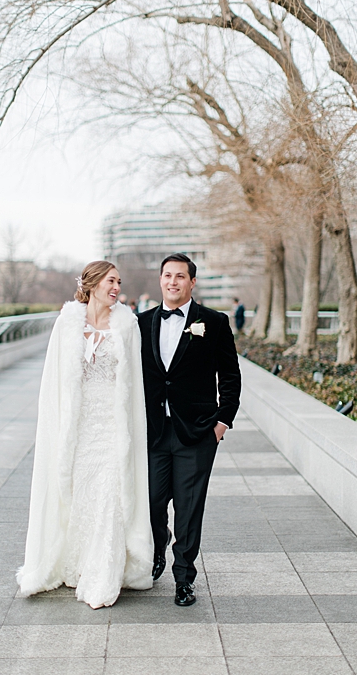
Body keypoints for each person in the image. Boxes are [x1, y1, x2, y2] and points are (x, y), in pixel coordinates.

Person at [17, 261, 153, 609]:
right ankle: (76, 564)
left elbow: (134, 383)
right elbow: (54, 381)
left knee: (110, 493)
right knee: (81, 495)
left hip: (112, 425)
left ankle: (104, 574)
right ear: (92, 283)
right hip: (79, 426)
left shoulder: (127, 325)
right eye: (111, 281)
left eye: (119, 282)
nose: (116, 288)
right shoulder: (67, 324)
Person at [137, 254, 241, 607]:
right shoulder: (140, 323)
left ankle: (184, 578)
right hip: (152, 433)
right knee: (151, 503)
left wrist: (221, 422)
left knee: (189, 507)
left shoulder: (213, 322)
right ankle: (157, 548)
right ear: (161, 280)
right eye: (167, 275)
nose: (173, 282)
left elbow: (230, 377)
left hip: (196, 433)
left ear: (192, 282)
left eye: (180, 276)